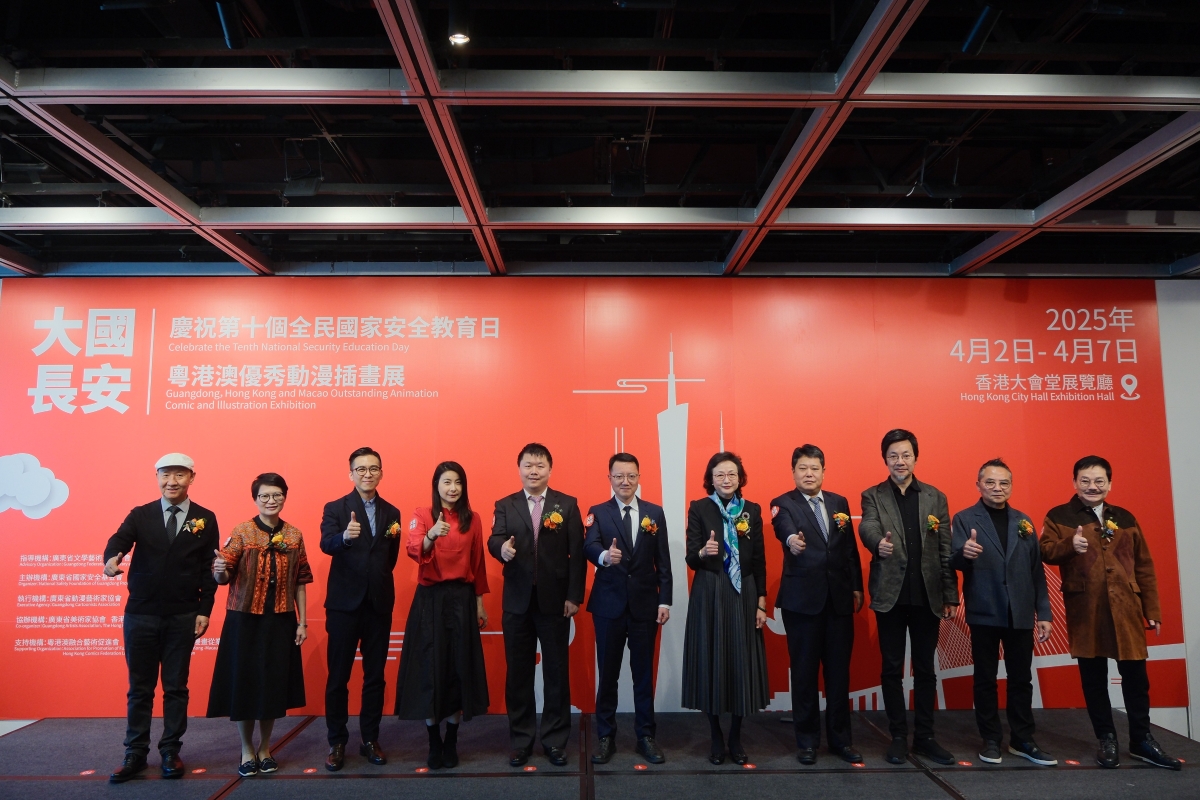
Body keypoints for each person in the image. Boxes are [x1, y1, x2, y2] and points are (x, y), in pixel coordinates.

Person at [1040, 455, 1181, 770]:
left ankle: (1142, 740)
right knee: (1094, 679)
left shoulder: (1125, 517)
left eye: (1099, 481)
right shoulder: (1059, 516)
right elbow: (1045, 551)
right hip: (1086, 609)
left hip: (1126, 608)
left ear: (1110, 484)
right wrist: (1070, 545)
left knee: (1136, 679)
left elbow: (1143, 564)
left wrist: (1151, 608)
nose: (1092, 486)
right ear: (1074, 482)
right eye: (1085, 480)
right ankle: (1107, 738)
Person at [103, 453, 219, 783]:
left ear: (191, 478)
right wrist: (111, 559)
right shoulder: (141, 514)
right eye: (166, 474)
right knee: (140, 688)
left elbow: (208, 569)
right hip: (141, 613)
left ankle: (170, 750)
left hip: (183, 614)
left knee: (176, 687)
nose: (172, 481)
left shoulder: (205, 518)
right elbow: (119, 541)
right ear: (156, 477)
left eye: (179, 475)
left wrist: (204, 610)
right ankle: (135, 752)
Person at [859, 429, 957, 766]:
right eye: (893, 456)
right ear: (884, 459)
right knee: (891, 669)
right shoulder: (873, 495)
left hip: (928, 595)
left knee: (926, 668)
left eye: (906, 455)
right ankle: (899, 736)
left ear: (915, 458)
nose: (900, 461)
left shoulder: (935, 497)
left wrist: (950, 594)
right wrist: (878, 544)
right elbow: (868, 526)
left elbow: (945, 548)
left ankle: (925, 737)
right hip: (891, 594)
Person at [950, 459, 1055, 767]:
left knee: (1021, 679)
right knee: (985, 679)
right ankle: (991, 739)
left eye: (1004, 483)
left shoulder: (1023, 521)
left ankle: (1022, 739)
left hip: (1019, 610)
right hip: (984, 609)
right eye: (991, 482)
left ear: (1011, 486)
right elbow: (953, 560)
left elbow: (1036, 571)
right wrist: (965, 554)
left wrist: (1044, 612)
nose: (997, 488)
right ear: (979, 485)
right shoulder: (964, 518)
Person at [487, 443, 586, 768]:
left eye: (540, 465)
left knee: (556, 672)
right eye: (528, 465)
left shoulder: (567, 504)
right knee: (518, 675)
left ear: (549, 469)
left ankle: (555, 741)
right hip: (517, 602)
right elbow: (494, 538)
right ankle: (521, 741)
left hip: (555, 602)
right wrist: (501, 549)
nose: (534, 471)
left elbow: (577, 554)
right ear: (519, 469)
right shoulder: (506, 504)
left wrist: (573, 596)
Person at [207, 473, 312, 777]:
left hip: (280, 620)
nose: (270, 500)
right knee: (245, 686)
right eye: (264, 496)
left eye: (276, 495)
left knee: (272, 686)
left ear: (284, 497)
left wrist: (302, 621)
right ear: (255, 499)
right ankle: (246, 749)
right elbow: (223, 576)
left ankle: (265, 748)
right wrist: (219, 570)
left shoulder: (294, 535)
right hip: (244, 620)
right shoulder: (242, 531)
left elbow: (301, 581)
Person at [769, 444, 863, 765]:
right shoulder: (783, 503)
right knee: (805, 674)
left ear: (824, 471)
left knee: (838, 675)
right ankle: (807, 741)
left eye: (814, 468)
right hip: (802, 603)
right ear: (793, 472)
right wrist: (792, 541)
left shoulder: (839, 503)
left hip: (838, 601)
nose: (809, 474)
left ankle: (841, 740)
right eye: (802, 468)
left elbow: (849, 549)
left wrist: (856, 587)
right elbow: (784, 530)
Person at [395, 461, 490, 770]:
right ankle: (433, 741)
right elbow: (414, 549)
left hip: (462, 600)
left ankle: (452, 740)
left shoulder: (473, 519)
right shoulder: (423, 515)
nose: (453, 488)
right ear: (436, 485)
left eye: (458, 482)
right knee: (430, 670)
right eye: (447, 482)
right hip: (430, 601)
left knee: (458, 669)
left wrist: (479, 603)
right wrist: (431, 535)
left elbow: (478, 563)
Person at [584, 453, 674, 766]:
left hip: (645, 606)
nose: (625, 481)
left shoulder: (654, 513)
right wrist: (604, 557)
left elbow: (663, 560)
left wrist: (665, 600)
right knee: (607, 675)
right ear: (609, 478)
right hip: (608, 606)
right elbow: (588, 546)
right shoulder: (598, 512)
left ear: (638, 477)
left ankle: (646, 736)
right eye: (619, 476)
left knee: (643, 675)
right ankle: (605, 737)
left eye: (631, 476)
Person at [681, 451, 769, 766]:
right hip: (710, 590)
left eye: (731, 474)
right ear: (711, 479)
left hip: (744, 591)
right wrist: (703, 552)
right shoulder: (699, 508)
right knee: (711, 659)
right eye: (719, 474)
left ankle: (736, 735)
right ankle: (716, 734)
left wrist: (761, 601)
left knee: (741, 662)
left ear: (740, 478)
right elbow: (691, 557)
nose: (726, 479)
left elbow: (759, 558)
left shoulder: (752, 510)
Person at [319, 446, 403, 771]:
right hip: (344, 605)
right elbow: (326, 544)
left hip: (378, 604)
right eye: (361, 469)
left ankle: (370, 738)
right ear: (351, 473)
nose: (368, 474)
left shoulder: (392, 512)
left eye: (373, 468)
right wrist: (345, 537)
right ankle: (337, 741)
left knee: (375, 677)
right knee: (338, 677)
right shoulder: (335, 508)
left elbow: (389, 558)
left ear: (381, 472)